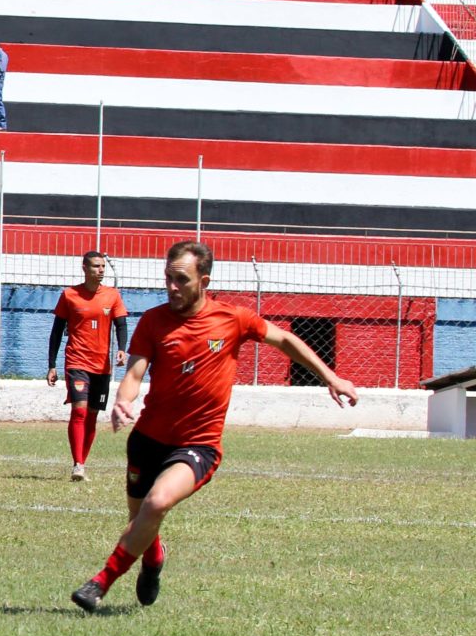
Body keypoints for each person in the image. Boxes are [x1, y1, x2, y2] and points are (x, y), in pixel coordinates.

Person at [71, 241, 357, 612]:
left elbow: (284, 339)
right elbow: (135, 372)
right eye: (167, 278)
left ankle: (100, 583)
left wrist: (330, 378)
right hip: (146, 441)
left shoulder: (232, 319)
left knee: (156, 503)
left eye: (181, 279)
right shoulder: (154, 321)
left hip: (197, 446)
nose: (172, 287)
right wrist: (124, 399)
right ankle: (154, 558)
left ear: (203, 280)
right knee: (141, 519)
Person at [48, 251, 129, 482]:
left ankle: (82, 463)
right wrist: (51, 365)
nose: (100, 270)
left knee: (92, 415)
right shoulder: (70, 295)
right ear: (84, 268)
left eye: (103, 266)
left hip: (102, 365)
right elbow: (56, 332)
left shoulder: (112, 296)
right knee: (80, 410)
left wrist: (122, 349)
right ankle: (77, 464)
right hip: (77, 361)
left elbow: (121, 324)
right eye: (95, 266)